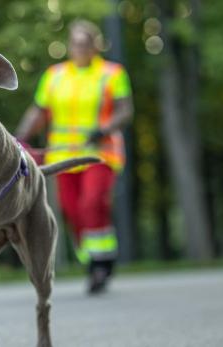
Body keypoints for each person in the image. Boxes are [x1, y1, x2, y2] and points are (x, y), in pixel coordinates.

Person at [16, 19, 133, 294]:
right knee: (71, 210)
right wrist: (19, 137)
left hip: (99, 154)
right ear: (69, 46)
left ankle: (101, 263)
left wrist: (104, 129)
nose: (80, 47)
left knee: (91, 203)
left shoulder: (112, 73)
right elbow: (39, 112)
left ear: (95, 46)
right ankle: (95, 256)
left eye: (85, 43)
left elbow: (125, 110)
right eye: (75, 43)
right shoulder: (55, 75)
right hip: (64, 156)